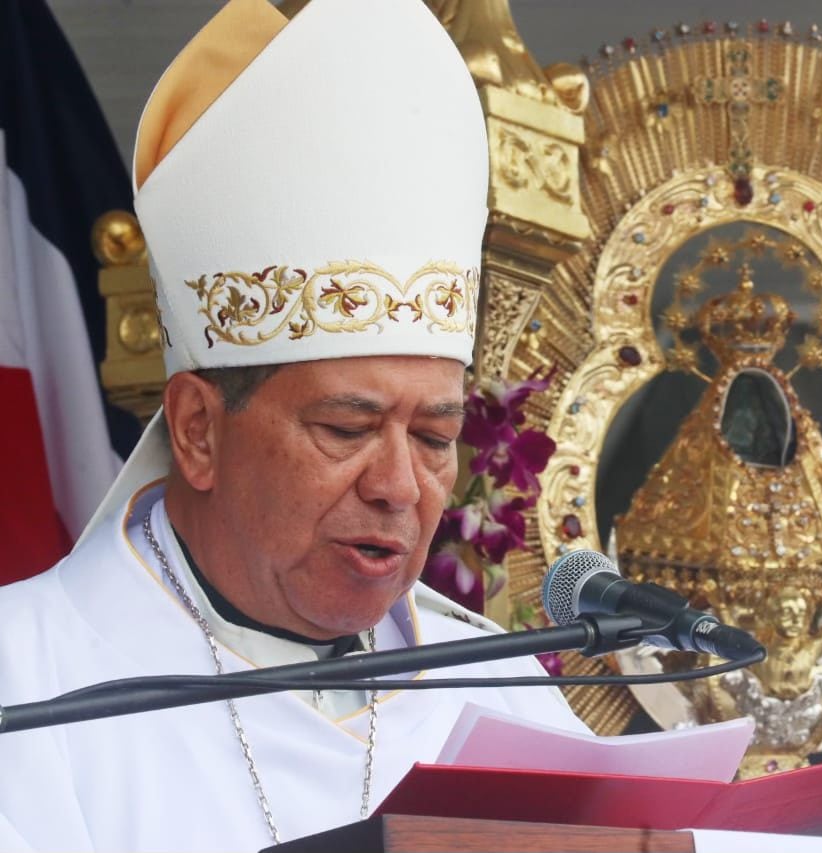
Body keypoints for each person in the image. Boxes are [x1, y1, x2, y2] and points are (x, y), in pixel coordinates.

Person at [0, 0, 587, 849]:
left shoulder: (499, 686)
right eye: (347, 429)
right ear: (199, 430)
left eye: (432, 438)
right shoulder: (27, 682)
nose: (397, 488)